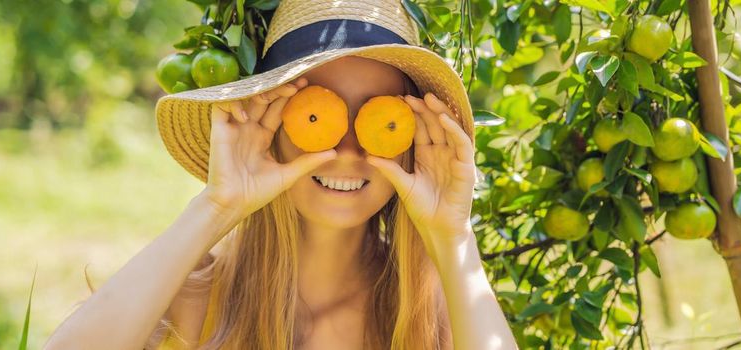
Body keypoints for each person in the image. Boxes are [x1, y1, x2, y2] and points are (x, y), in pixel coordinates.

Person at [45, 0, 517, 349]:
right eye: (317, 116)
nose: (346, 149)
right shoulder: (195, 301)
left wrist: (453, 238)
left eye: (378, 119)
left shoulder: (430, 314)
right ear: (268, 126)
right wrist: (215, 206)